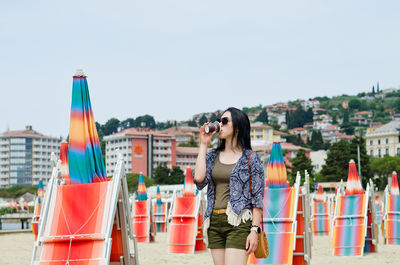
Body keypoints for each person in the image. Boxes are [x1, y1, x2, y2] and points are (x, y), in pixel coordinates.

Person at [194, 107, 265, 265]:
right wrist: (204, 144)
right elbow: (199, 180)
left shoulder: (251, 158)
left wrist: (254, 230)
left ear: (238, 127)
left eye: (225, 121)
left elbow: (257, 198)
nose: (220, 124)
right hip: (214, 222)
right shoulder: (212, 155)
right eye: (219, 121)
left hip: (239, 221)